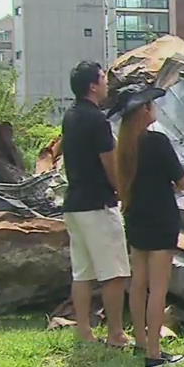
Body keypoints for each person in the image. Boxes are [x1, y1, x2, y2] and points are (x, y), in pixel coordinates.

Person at [110, 83, 184, 367]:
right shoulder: (157, 141)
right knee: (158, 288)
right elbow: (182, 181)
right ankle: (155, 354)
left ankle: (142, 342)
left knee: (139, 283)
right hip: (161, 218)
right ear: (144, 110)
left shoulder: (124, 147)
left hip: (135, 217)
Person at [61, 61, 131, 348]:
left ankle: (85, 331)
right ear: (92, 85)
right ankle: (116, 334)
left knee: (83, 272)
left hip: (75, 203)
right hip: (98, 204)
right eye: (103, 78)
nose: (106, 83)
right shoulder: (97, 120)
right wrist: (122, 191)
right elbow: (109, 162)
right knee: (113, 272)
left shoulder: (71, 116)